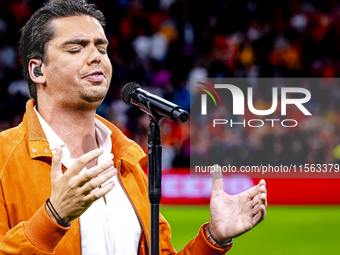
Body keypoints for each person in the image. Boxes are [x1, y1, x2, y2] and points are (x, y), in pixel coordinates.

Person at [0, 0, 267, 254]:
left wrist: (213, 238)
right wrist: (52, 217)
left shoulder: (128, 161)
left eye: (102, 48)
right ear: (37, 71)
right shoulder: (4, 157)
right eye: (76, 48)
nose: (96, 56)